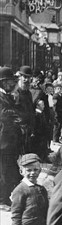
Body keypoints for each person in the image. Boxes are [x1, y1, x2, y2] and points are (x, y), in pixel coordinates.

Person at [1, 67, 23, 210]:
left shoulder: (8, 96)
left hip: (10, 140)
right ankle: (2, 200)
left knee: (10, 170)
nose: (12, 84)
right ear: (3, 82)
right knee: (3, 171)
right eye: (10, 82)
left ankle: (7, 197)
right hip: (3, 141)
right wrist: (18, 115)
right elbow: (3, 114)